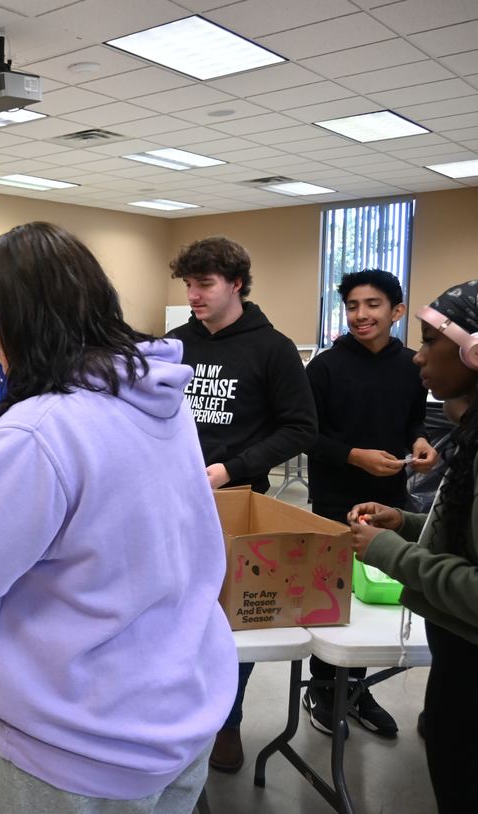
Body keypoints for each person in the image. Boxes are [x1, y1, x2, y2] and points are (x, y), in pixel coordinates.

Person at [0, 222, 237, 813]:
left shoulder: (42, 430)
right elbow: (104, 495)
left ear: (26, 317)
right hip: (179, 710)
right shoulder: (154, 397)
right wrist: (3, 459)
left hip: (80, 744)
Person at [350, 278, 478, 814]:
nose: (419, 357)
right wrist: (405, 521)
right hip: (475, 659)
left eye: (430, 342)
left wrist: (388, 552)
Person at [165, 235, 317, 772]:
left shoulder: (271, 348)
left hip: (234, 501)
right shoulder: (175, 343)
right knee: (170, 616)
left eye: (204, 284)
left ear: (236, 284)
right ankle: (177, 716)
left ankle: (228, 722)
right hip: (170, 502)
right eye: (188, 284)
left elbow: (301, 427)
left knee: (230, 622)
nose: (194, 295)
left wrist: (233, 468)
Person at [302, 269, 436, 740]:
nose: (361, 315)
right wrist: (353, 456)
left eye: (373, 305)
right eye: (353, 305)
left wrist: (420, 442)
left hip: (391, 503)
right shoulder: (324, 369)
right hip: (334, 501)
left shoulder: (412, 365)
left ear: (396, 311)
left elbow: (414, 420)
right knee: (333, 599)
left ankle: (358, 691)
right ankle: (322, 689)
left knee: (375, 602)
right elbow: (306, 435)